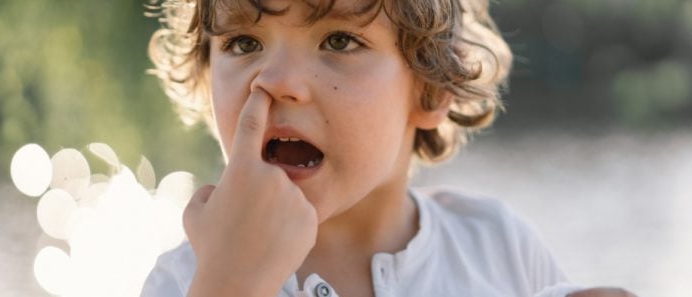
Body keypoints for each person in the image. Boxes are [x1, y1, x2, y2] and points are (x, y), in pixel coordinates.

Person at [141, 0, 637, 296]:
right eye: (243, 44)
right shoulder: (189, 278)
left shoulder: (497, 245)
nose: (275, 82)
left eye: (338, 41)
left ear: (431, 88)